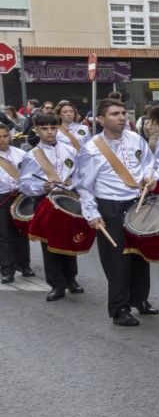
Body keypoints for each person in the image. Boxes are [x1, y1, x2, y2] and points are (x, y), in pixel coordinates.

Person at [74, 98, 159, 327]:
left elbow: (149, 164)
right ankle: (119, 308)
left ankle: (141, 299)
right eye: (115, 114)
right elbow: (83, 185)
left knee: (140, 256)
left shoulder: (135, 139)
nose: (122, 117)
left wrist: (149, 178)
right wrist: (91, 212)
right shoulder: (92, 149)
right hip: (110, 206)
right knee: (116, 260)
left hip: (136, 202)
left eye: (123, 113)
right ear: (101, 119)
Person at [18, 111, 82, 300]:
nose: (49, 132)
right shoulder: (32, 155)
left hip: (68, 198)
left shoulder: (70, 149)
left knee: (70, 238)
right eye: (44, 128)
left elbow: (79, 172)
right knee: (50, 242)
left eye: (53, 128)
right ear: (36, 130)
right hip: (46, 200)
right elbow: (25, 184)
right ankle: (57, 284)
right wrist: (42, 185)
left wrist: (73, 182)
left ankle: (71, 278)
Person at [0, 124, 35, 284]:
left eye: (5, 136)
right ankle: (7, 270)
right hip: (1, 198)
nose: (2, 140)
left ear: (10, 136)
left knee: (22, 233)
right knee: (4, 235)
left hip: (21, 197)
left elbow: (30, 176)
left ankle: (24, 265)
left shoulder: (21, 154)